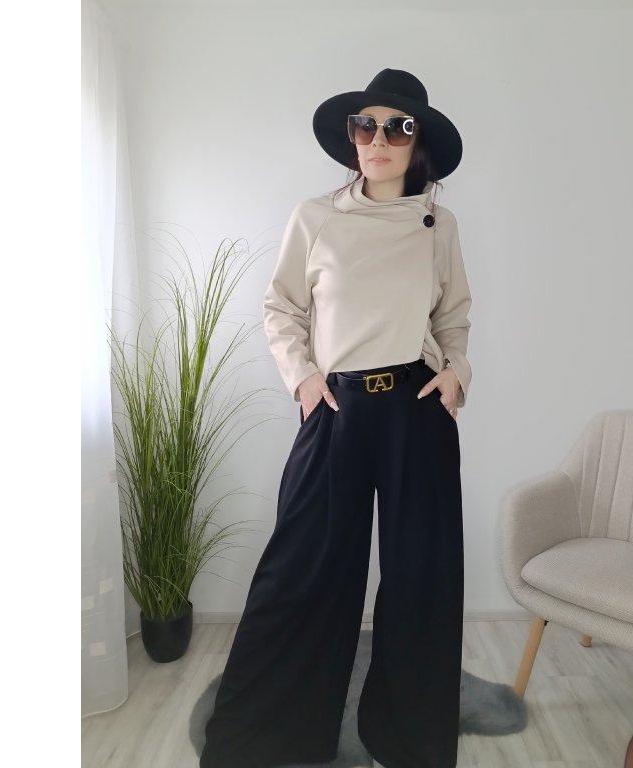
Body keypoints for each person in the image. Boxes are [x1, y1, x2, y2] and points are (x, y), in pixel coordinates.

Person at [201, 68, 473, 768]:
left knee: (421, 576)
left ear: (418, 144)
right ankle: (270, 736)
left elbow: (454, 315)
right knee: (304, 568)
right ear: (352, 137)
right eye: (366, 125)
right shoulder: (315, 217)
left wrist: (456, 374)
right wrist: (303, 379)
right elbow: (281, 306)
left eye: (397, 128)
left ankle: (406, 741)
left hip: (417, 408)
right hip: (338, 407)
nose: (378, 140)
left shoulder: (438, 226)